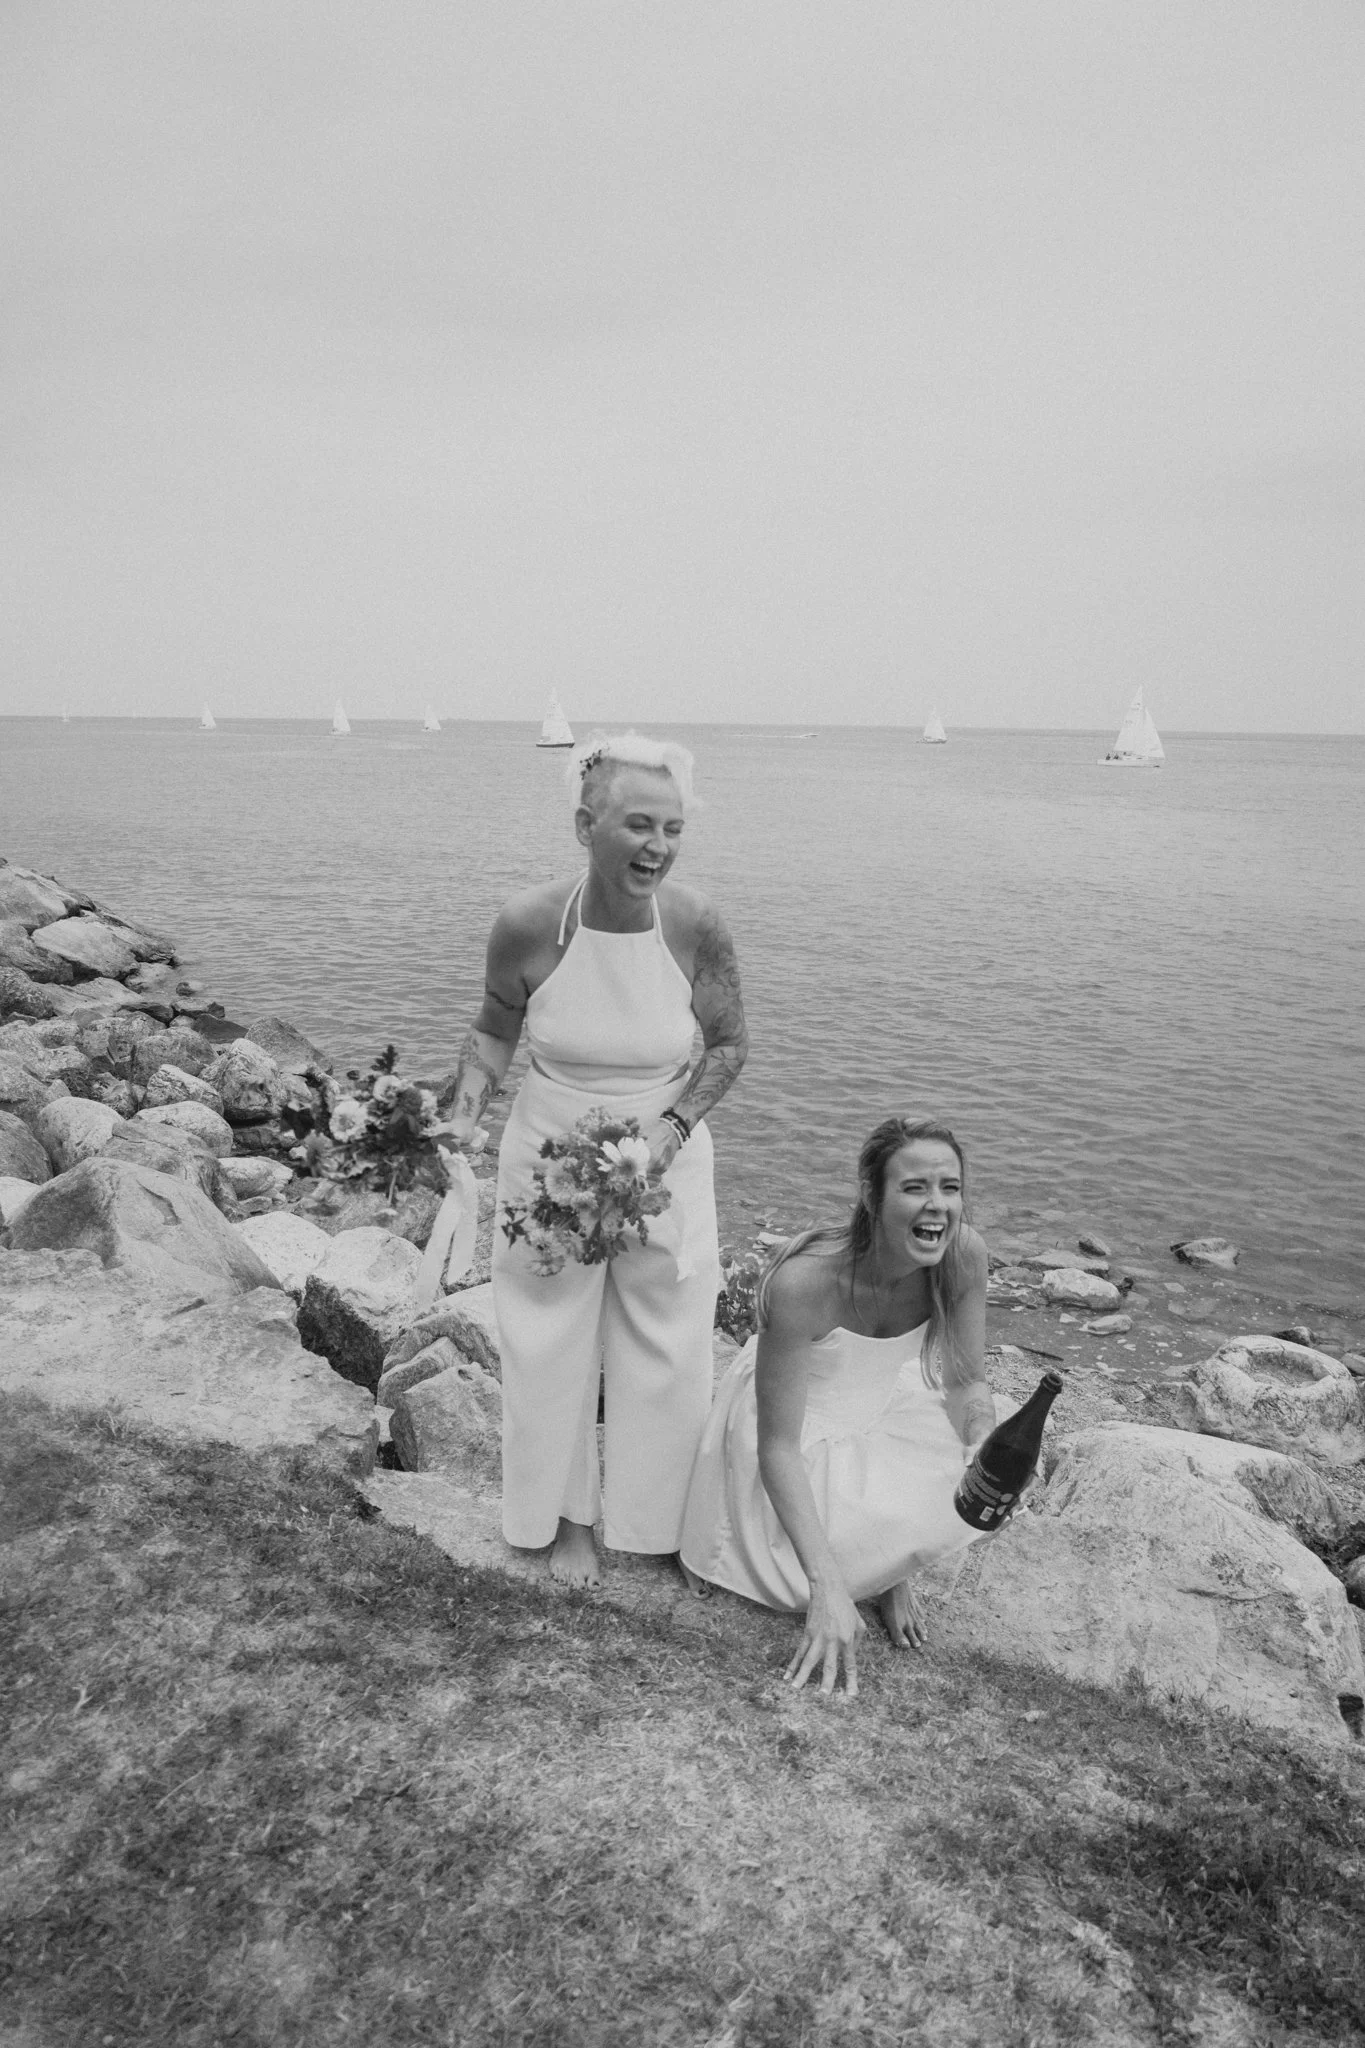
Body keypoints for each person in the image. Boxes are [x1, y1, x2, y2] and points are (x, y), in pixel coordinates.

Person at [444, 731, 749, 1587]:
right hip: (547, 1160)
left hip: (664, 1164)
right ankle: (566, 1522)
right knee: (547, 1343)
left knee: (671, 1346)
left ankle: (655, 1531)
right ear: (586, 825)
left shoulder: (695, 925)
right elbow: (493, 1031)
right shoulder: (528, 924)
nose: (658, 846)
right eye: (638, 825)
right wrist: (462, 1113)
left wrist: (673, 1129)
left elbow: (727, 1047)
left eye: (673, 828)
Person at [679, 1116, 995, 1697]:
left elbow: (967, 1383)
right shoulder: (803, 1284)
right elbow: (776, 1446)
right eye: (914, 1187)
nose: (938, 1206)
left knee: (967, 1462)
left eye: (950, 1188)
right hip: (789, 1425)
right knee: (794, 1584)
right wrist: (829, 1591)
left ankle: (891, 1575)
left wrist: (982, 1444)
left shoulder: (964, 1258)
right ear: (872, 1197)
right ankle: (861, 1568)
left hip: (878, 1408)